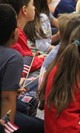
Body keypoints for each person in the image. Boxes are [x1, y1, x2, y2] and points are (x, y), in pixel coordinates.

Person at [0, 4, 44, 133]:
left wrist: (13, 88)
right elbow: (7, 99)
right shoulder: (13, 58)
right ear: (15, 34)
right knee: (43, 127)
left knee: (23, 107)